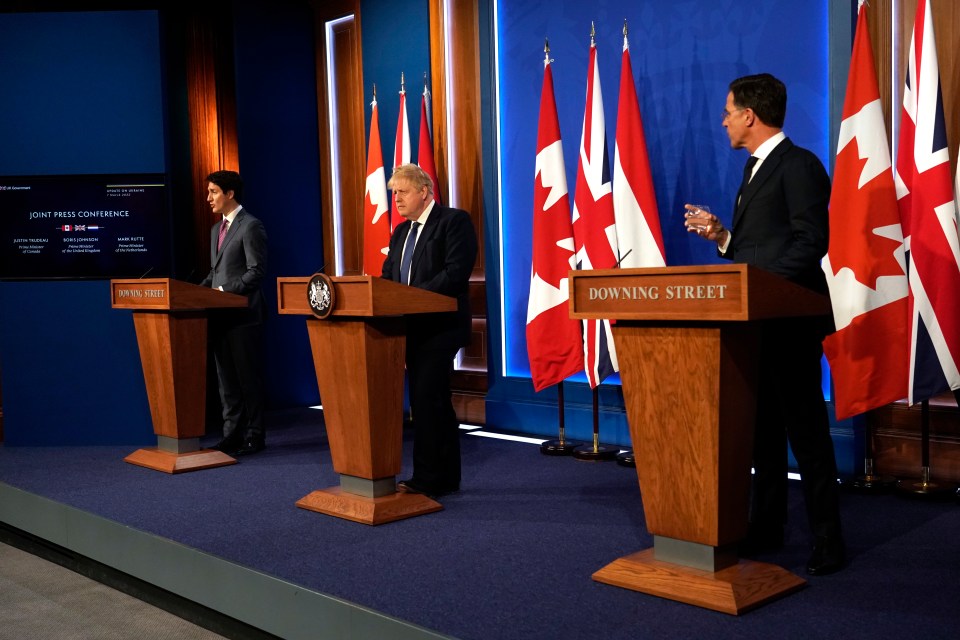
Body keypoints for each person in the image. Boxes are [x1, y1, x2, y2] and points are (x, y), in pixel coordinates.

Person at [683, 73, 844, 575]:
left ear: (750, 115)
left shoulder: (799, 165)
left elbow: (811, 241)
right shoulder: (755, 169)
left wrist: (757, 281)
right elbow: (763, 246)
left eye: (729, 111)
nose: (724, 120)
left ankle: (828, 541)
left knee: (807, 435)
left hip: (790, 321)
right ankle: (768, 527)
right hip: (757, 321)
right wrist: (724, 237)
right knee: (763, 436)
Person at [381, 163, 478, 498]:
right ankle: (444, 476)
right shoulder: (400, 232)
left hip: (440, 328)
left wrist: (413, 298)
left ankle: (428, 477)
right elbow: (388, 277)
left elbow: (455, 274)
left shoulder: (453, 221)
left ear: (423, 191)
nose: (396, 200)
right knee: (433, 401)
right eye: (393, 194)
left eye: (402, 192)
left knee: (427, 400)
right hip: (408, 328)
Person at [199, 170, 269, 457]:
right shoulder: (217, 229)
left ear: (230, 194)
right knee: (226, 379)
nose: (208, 198)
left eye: (213, 192)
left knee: (247, 378)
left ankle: (254, 435)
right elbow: (215, 274)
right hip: (220, 317)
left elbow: (257, 272)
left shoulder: (251, 226)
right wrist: (193, 292)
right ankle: (231, 434)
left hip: (244, 316)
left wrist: (223, 291)